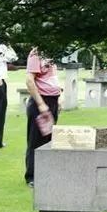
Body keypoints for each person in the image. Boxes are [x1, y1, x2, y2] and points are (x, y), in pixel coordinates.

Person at [24, 47, 61, 187]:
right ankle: (32, 175)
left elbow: (52, 77)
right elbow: (29, 80)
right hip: (41, 101)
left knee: (49, 139)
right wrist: (40, 104)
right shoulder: (36, 54)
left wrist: (59, 98)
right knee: (36, 140)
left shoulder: (52, 52)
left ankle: (46, 172)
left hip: (53, 101)